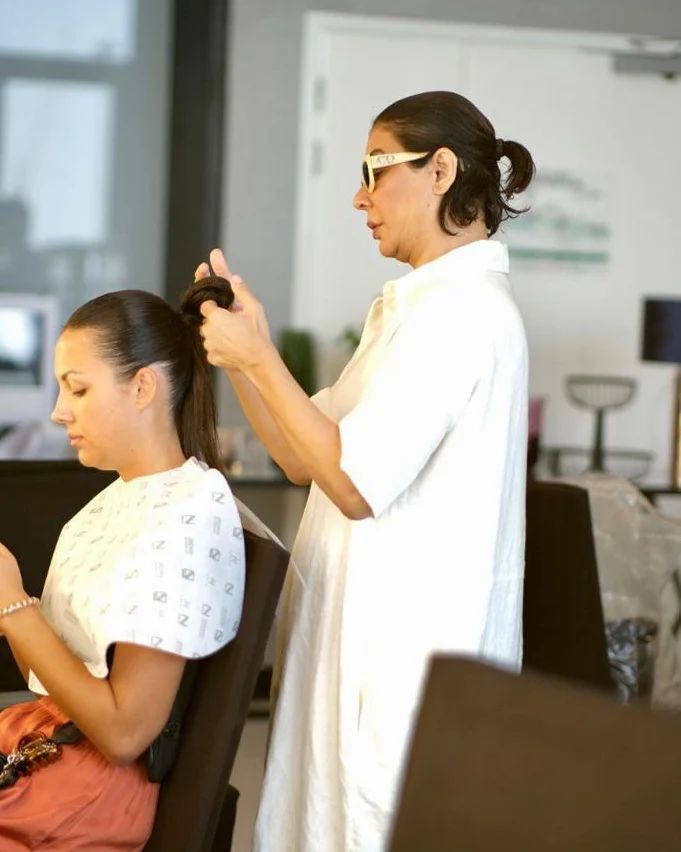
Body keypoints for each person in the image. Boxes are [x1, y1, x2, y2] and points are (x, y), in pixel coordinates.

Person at [196, 90, 535, 852]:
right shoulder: (410, 311)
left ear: (440, 169)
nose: (359, 196)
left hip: (403, 673)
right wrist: (245, 359)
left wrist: (258, 357)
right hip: (350, 658)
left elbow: (351, 485)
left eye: (375, 170)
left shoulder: (464, 316)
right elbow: (299, 454)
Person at [0, 282, 245, 851]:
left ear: (142, 386)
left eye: (78, 390)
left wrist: (14, 607)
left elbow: (124, 731)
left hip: (88, 790)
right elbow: (50, 670)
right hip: (51, 746)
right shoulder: (123, 498)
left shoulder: (188, 512)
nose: (60, 412)